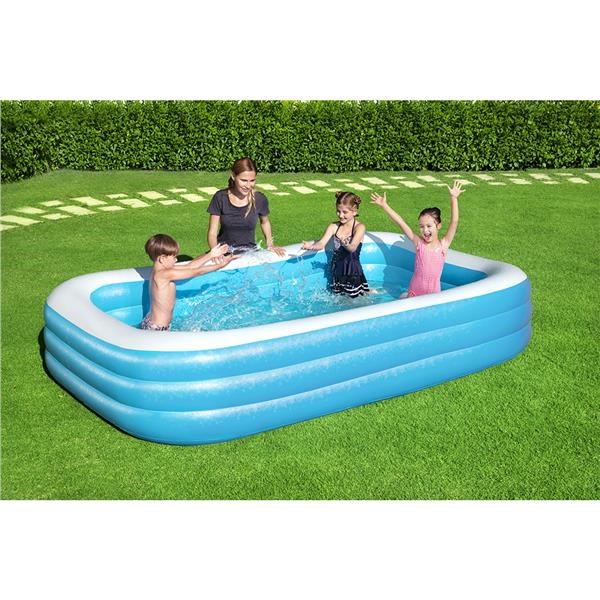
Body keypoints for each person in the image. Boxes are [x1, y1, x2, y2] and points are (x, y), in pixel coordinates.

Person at [371, 180, 465, 297]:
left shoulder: (443, 245)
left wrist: (454, 198)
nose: (425, 230)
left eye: (429, 226)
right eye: (421, 226)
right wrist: (385, 206)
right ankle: (403, 295)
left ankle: (403, 295)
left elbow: (454, 222)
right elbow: (401, 223)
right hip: (414, 292)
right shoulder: (419, 243)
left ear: (438, 226)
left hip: (433, 295)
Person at [141, 234, 237, 331]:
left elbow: (191, 266)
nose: (176, 260)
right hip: (158, 328)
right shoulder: (164, 274)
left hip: (152, 322)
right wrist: (219, 266)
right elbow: (197, 272)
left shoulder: (159, 271)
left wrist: (211, 255)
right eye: (173, 257)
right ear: (162, 258)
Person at [206, 157, 286, 256]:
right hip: (223, 253)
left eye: (252, 180)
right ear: (233, 176)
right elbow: (212, 233)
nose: (248, 186)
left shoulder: (259, 199)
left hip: (249, 254)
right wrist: (215, 253)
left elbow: (265, 222)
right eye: (244, 180)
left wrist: (270, 244)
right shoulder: (220, 197)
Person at [302, 191, 369, 298]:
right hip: (337, 269)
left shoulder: (359, 227)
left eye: (345, 212)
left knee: (356, 301)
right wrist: (311, 246)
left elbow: (352, 248)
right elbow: (321, 243)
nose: (341, 215)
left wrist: (345, 244)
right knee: (338, 299)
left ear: (354, 211)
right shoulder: (334, 226)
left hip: (352, 271)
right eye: (338, 211)